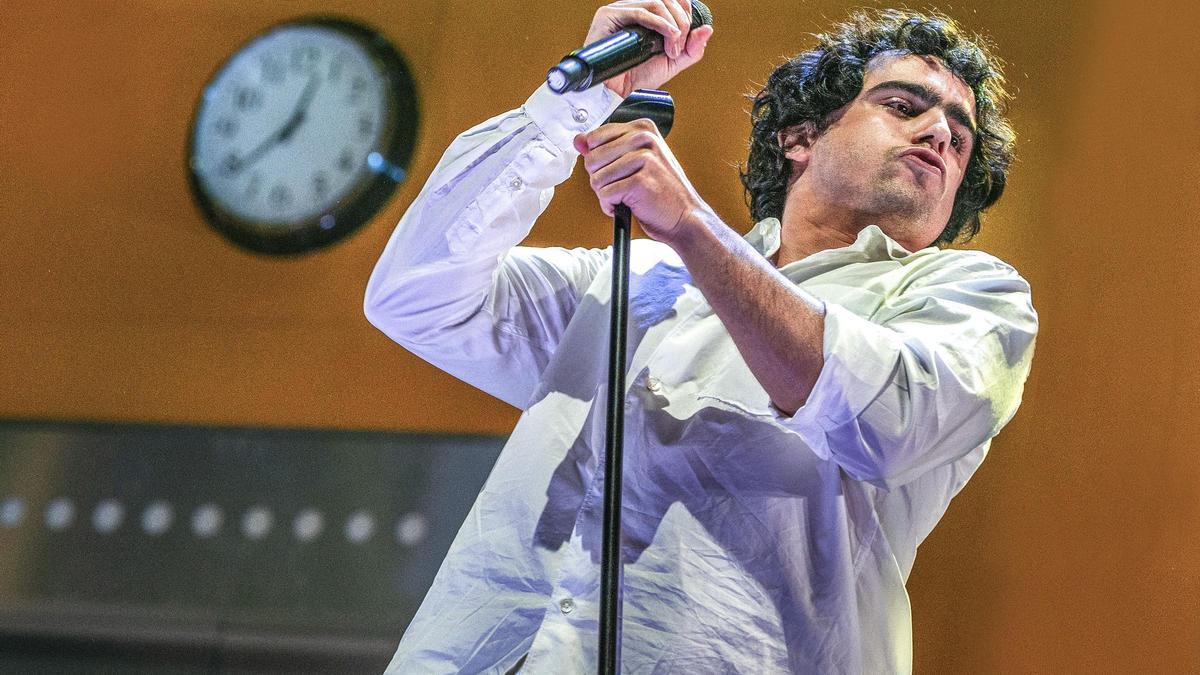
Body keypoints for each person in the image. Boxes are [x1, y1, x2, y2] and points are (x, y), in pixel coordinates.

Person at [365, 2, 1037, 672]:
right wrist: (576, 100)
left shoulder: (971, 297)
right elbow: (413, 294)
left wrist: (688, 221)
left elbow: (888, 419)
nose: (940, 133)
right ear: (799, 137)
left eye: (960, 133)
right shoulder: (634, 283)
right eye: (903, 104)